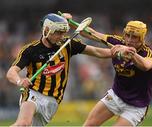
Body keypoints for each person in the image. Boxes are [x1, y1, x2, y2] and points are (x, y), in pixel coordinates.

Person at [6, 13, 134, 126]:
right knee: (23, 124)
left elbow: (96, 51)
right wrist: (19, 81)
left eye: (63, 32)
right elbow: (11, 72)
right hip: (33, 94)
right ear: (46, 30)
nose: (61, 36)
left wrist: (118, 53)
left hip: (53, 101)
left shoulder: (68, 44)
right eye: (58, 33)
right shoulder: (30, 50)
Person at [65, 14, 152, 126]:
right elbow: (90, 33)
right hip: (116, 96)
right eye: (127, 35)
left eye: (135, 37)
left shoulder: (148, 53)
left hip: (136, 106)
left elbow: (146, 65)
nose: (129, 40)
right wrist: (69, 22)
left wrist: (132, 54)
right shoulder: (117, 42)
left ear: (142, 38)